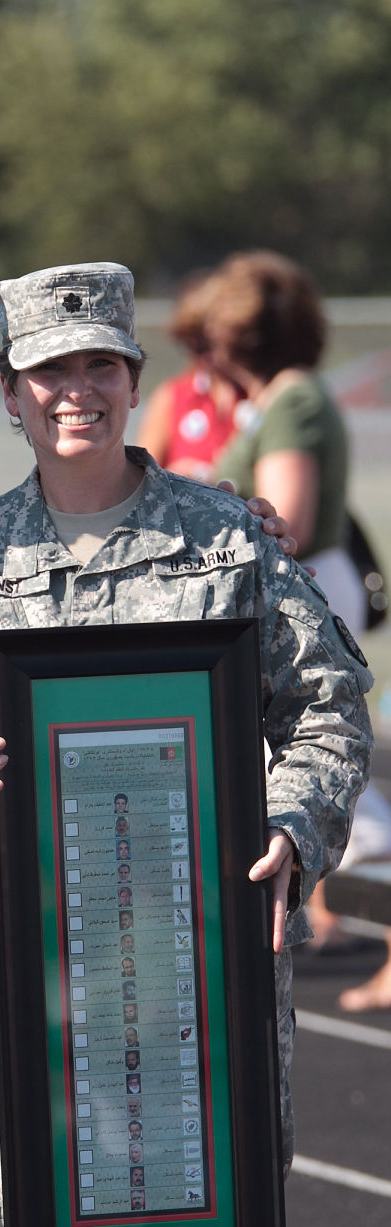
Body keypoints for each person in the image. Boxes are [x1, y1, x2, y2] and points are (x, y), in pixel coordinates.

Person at [0, 261, 372, 1227]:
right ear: (9, 392)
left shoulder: (225, 537)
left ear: (132, 378)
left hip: (200, 983)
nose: (74, 391)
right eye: (47, 370)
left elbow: (328, 710)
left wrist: (293, 824)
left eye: (97, 364)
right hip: (30, 990)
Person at [201, 249, 391, 1006]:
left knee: (338, 780)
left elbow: (290, 518)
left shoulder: (293, 401)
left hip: (301, 592)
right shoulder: (281, 398)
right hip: (300, 588)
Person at [136, 271, 247, 480]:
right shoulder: (173, 397)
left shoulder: (262, 395)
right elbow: (142, 479)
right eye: (193, 344)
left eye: (209, 344)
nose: (204, 354)